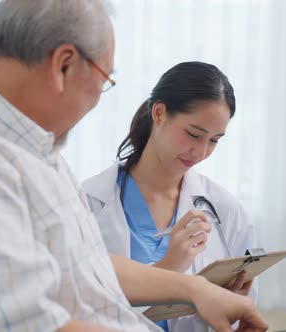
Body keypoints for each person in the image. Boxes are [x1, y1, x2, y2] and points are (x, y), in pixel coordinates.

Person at [0, 1, 268, 331]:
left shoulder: (29, 148)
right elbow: (27, 326)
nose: (97, 101)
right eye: (104, 80)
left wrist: (196, 289)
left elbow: (87, 267)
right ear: (64, 65)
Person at [83, 61, 258, 331]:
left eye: (214, 141)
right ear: (160, 113)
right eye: (193, 134)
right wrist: (169, 267)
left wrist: (231, 306)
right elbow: (77, 302)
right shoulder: (88, 203)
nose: (200, 152)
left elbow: (247, 308)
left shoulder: (225, 210)